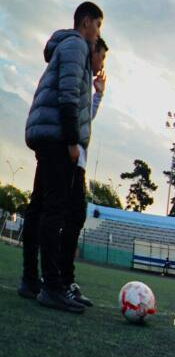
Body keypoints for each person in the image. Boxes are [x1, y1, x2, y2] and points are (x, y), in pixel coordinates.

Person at [21, 1, 103, 311]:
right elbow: (68, 94)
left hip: (50, 132)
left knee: (41, 206)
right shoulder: (76, 45)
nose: (97, 34)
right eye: (97, 26)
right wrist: (71, 140)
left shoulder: (70, 46)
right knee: (54, 210)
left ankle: (33, 281)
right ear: (86, 22)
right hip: (57, 136)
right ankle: (51, 286)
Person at [56, 36, 108, 308]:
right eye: (102, 56)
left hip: (79, 161)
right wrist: (72, 144)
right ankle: (58, 281)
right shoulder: (78, 75)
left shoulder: (87, 85)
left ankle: (64, 280)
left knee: (74, 216)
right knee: (66, 215)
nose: (103, 63)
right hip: (71, 157)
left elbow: (86, 118)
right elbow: (72, 114)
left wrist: (99, 95)